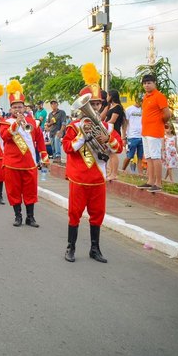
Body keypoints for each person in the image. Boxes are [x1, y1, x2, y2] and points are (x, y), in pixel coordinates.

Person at [62, 64, 123, 263]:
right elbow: (68, 148)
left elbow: (118, 148)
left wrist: (108, 140)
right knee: (75, 214)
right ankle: (71, 247)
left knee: (97, 215)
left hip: (98, 178)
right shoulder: (74, 126)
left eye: (97, 104)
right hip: (79, 178)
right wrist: (83, 137)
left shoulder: (106, 126)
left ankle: (94, 249)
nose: (94, 107)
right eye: (92, 104)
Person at [2, 80, 48, 227]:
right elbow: (5, 137)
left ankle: (30, 217)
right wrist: (16, 123)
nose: (17, 110)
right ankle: (18, 216)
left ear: (24, 107)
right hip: (12, 163)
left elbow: (40, 139)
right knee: (14, 191)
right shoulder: (6, 122)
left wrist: (44, 154)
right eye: (15, 107)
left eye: (20, 107)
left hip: (29, 163)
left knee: (30, 191)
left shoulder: (32, 122)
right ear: (10, 109)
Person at [138, 74, 171, 192]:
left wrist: (161, 123)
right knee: (149, 157)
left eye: (149, 83)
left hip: (154, 131)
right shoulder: (145, 97)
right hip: (145, 131)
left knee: (156, 157)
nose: (146, 85)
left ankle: (158, 183)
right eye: (145, 83)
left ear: (154, 83)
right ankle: (150, 181)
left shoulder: (159, 96)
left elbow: (167, 114)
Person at [103, 90, 125, 180]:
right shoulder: (111, 106)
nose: (107, 97)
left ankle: (114, 173)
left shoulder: (117, 107)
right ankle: (111, 172)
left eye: (108, 95)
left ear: (111, 96)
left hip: (114, 132)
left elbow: (113, 120)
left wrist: (103, 125)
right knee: (109, 153)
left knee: (113, 153)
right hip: (109, 131)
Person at [122, 96, 143, 173]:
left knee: (140, 157)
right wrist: (124, 136)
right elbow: (124, 123)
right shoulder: (129, 109)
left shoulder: (144, 110)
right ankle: (122, 170)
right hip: (132, 136)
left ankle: (140, 174)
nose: (141, 102)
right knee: (130, 156)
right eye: (140, 100)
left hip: (142, 136)